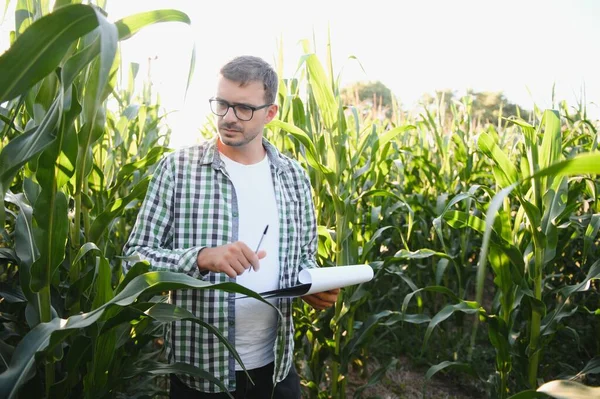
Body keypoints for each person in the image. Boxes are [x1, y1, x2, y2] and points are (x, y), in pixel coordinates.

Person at [123, 55, 339, 398]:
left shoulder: (294, 177)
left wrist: (312, 286)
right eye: (221, 104)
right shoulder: (178, 169)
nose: (228, 118)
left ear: (270, 113)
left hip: (276, 369)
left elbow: (304, 259)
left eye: (243, 109)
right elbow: (134, 260)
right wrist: (202, 257)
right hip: (201, 373)